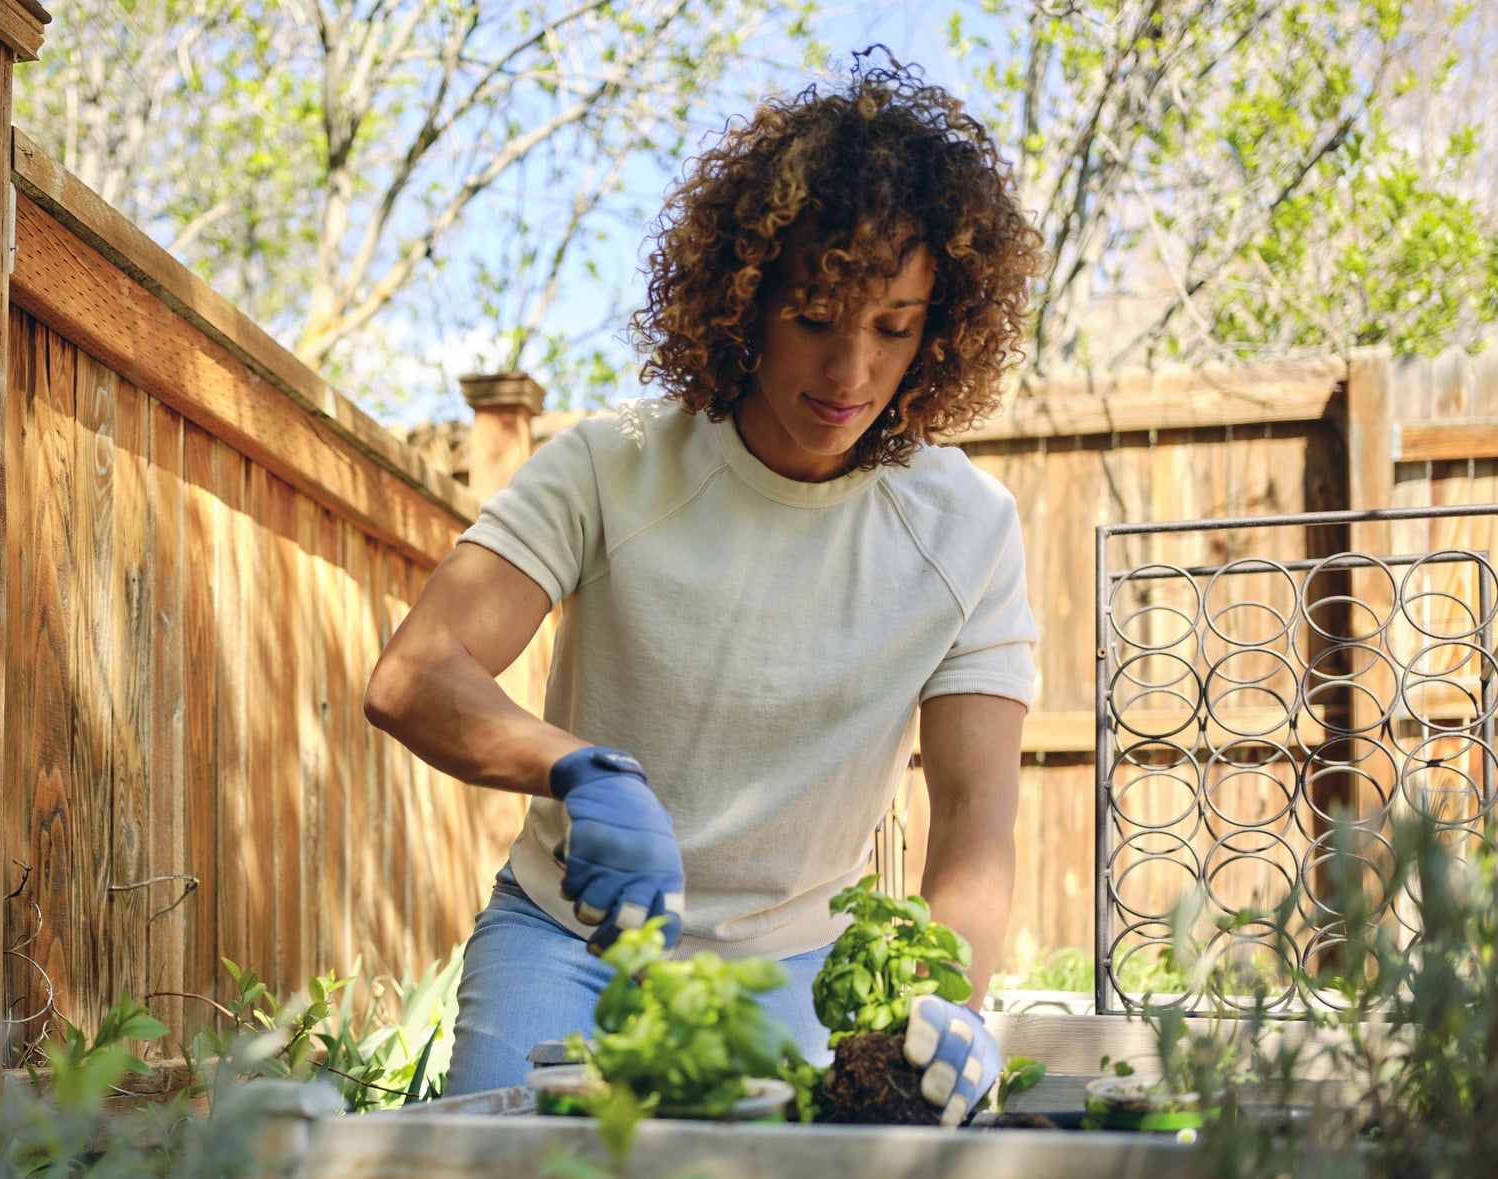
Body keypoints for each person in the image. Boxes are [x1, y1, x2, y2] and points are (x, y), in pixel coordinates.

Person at [364, 54, 1045, 1125]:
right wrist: (577, 770)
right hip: (565, 945)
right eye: (816, 315)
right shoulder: (612, 465)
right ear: (746, 296)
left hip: (789, 979)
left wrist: (947, 998)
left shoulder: (965, 532)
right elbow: (414, 675)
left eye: (894, 326)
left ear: (939, 325)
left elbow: (971, 812)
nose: (851, 372)